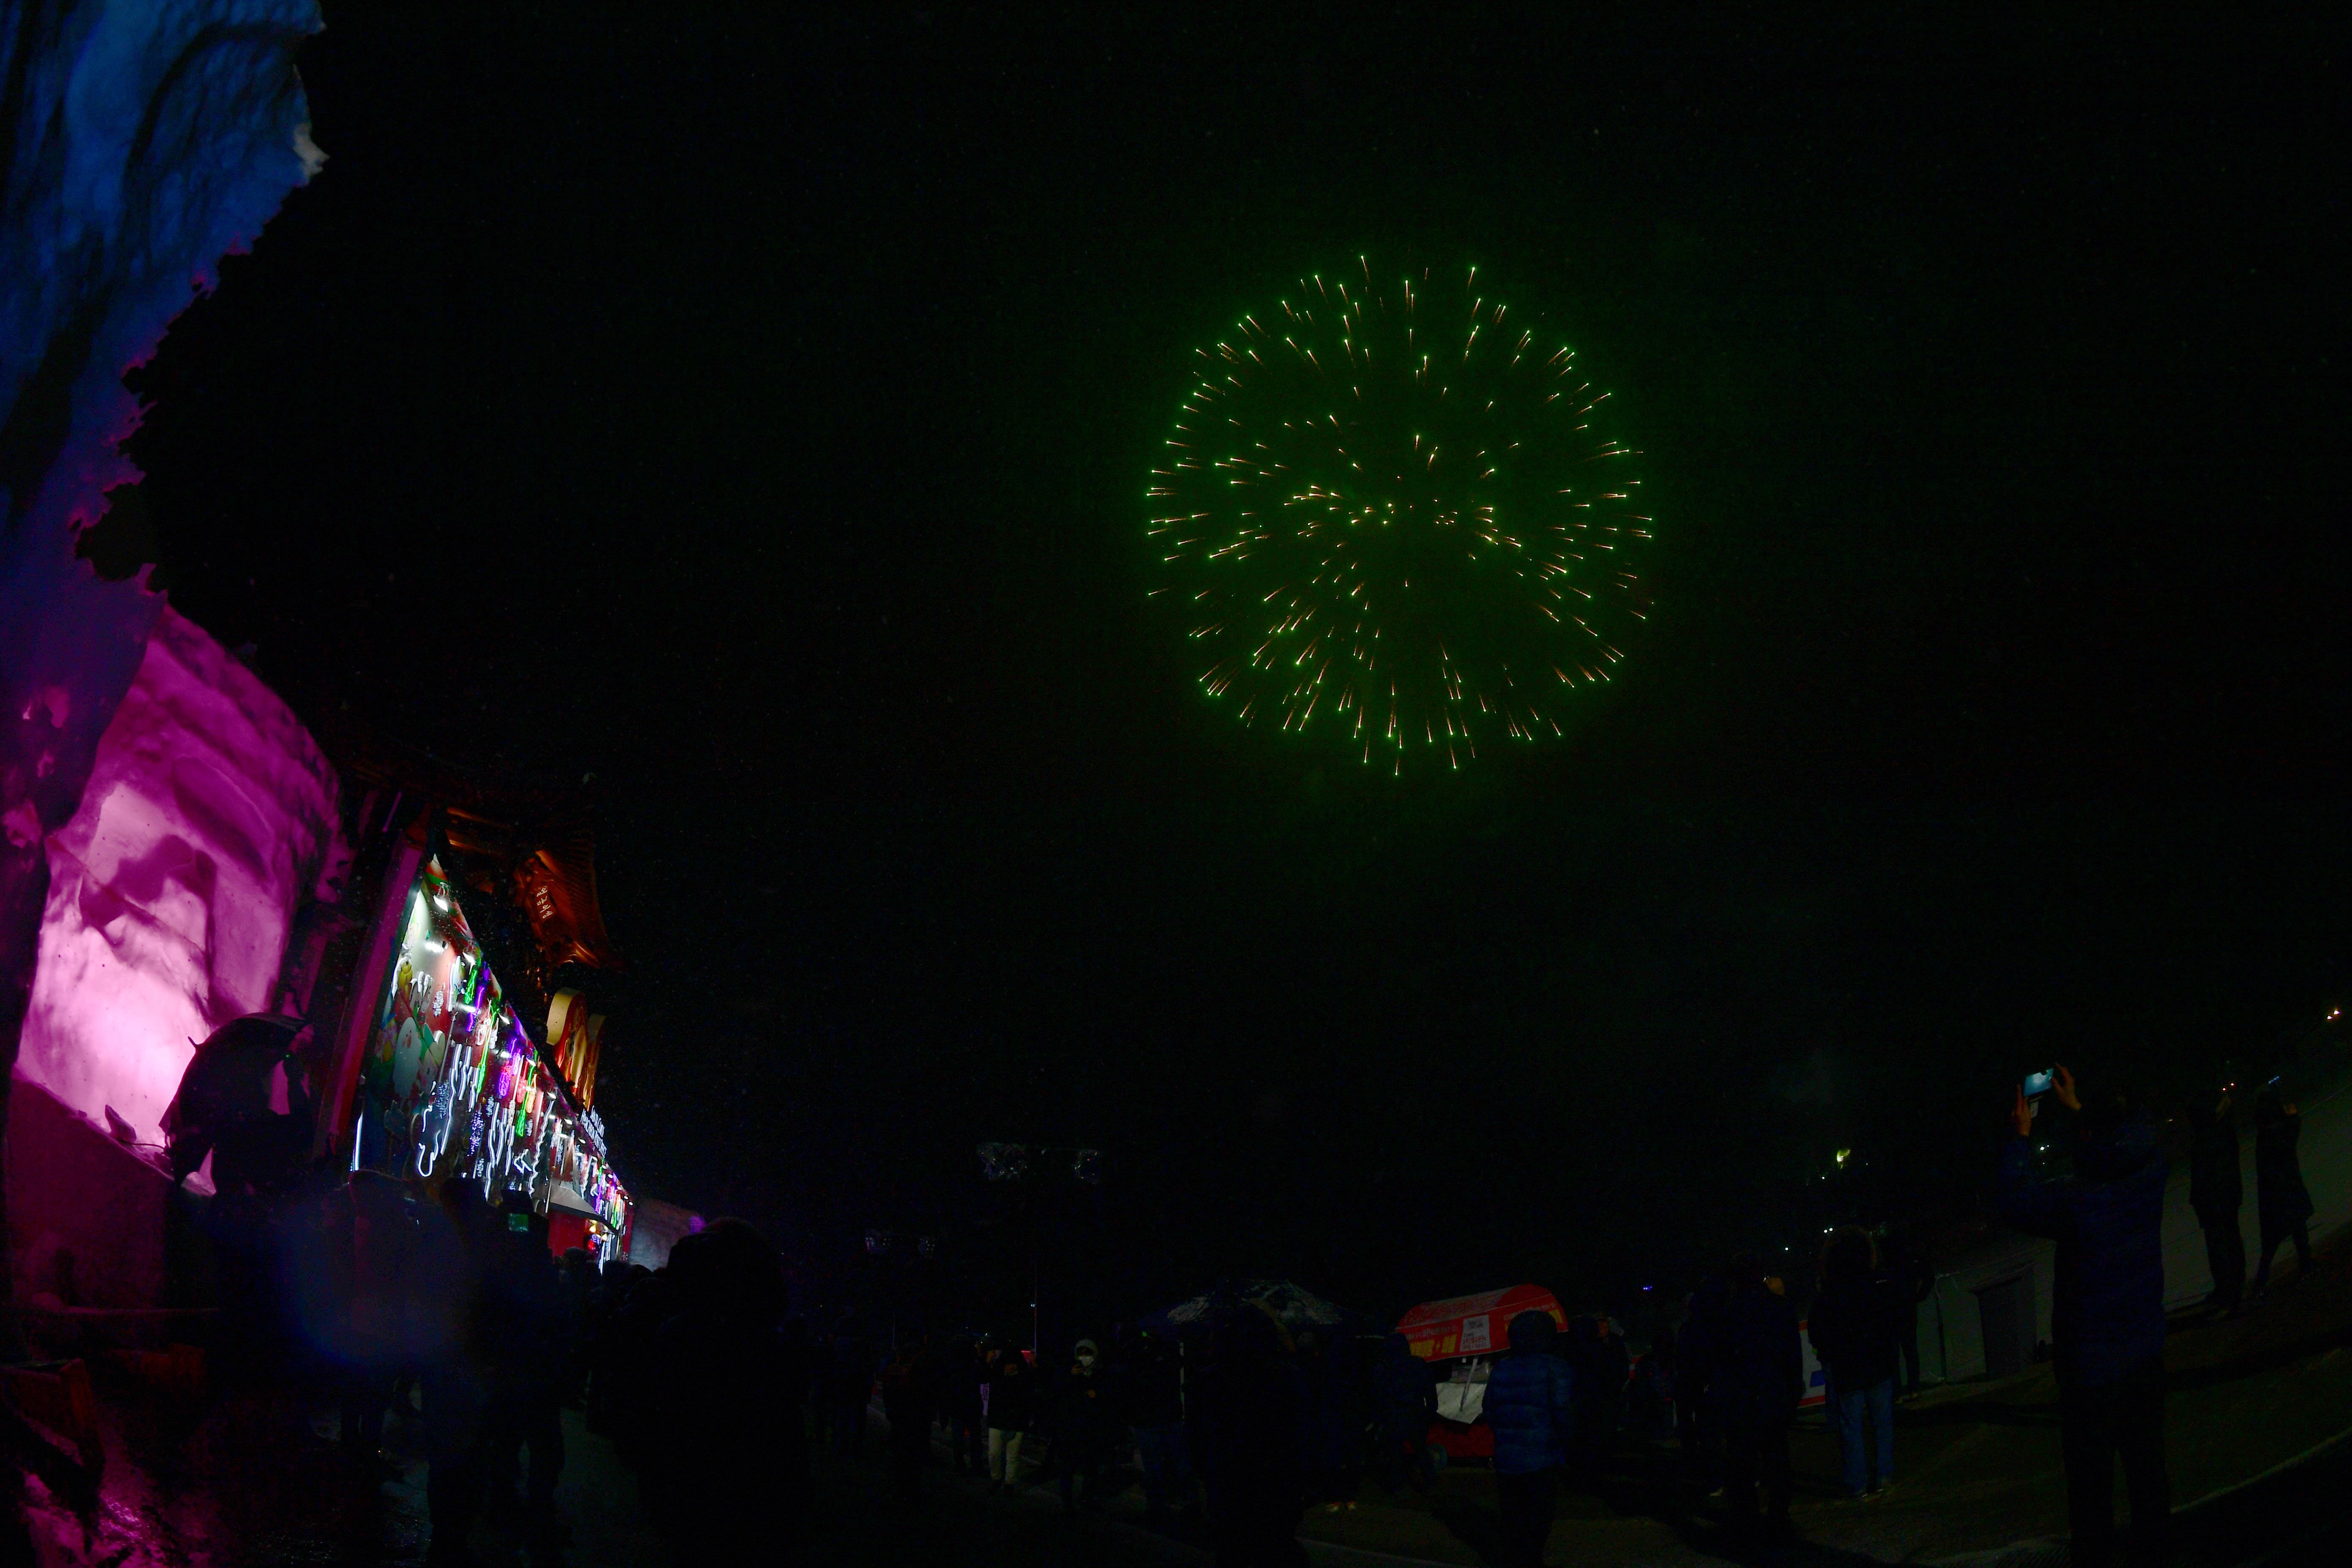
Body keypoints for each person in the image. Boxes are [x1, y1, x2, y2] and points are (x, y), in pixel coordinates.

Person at [1998, 1065, 2170, 1568]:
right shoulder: (2150, 1168)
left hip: (2090, 1368)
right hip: (2144, 1350)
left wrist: (2021, 1138)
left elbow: (2016, 1201)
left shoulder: (2079, 1201)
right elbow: (2121, 1138)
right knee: (2147, 1472)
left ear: (2092, 1134)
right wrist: (2079, 1111)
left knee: (2091, 1488)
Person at [1190, 1306, 1308, 1567]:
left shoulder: (1212, 1378)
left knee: (1236, 1550)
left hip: (1232, 1488)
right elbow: (1300, 1433)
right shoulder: (1285, 1375)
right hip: (1274, 1486)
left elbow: (1200, 1438)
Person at [1714, 1255, 1802, 1546]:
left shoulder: (1730, 1312)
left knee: (1746, 1463)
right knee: (1777, 1460)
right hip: (1773, 1397)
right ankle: (1779, 1516)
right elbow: (1792, 1356)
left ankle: (1750, 1517)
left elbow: (1724, 1363)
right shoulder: (1780, 1307)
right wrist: (1792, 1392)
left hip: (1745, 1401)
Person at [1808, 1228, 1900, 1499]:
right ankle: (1883, 1476)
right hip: (1877, 1365)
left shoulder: (1829, 1293)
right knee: (1882, 1423)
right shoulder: (1875, 1284)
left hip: (1848, 1370)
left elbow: (1817, 1332)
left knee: (1852, 1429)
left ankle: (1857, 1484)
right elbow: (1889, 1321)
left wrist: (1834, 1353)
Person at [1482, 1309, 1576, 1568]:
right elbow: (1563, 1412)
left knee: (1513, 1519)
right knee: (1538, 1519)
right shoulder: (1555, 1367)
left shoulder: (1502, 1368)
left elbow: (1489, 1410)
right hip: (1542, 1460)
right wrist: (1564, 1445)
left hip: (1506, 1460)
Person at [1119, 1327, 1193, 1514]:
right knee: (1171, 1462)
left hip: (1154, 1418)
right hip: (1163, 1417)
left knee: (1160, 1464)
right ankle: (1180, 1501)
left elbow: (1130, 1385)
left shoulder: (1143, 1356)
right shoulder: (1158, 1355)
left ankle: (1162, 1502)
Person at [2187, 1087, 2246, 1313]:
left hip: (2216, 1200)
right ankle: (2231, 1287)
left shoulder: (2208, 1138)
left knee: (2220, 1245)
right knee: (2230, 1240)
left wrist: (2200, 1200)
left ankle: (2228, 1292)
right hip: (2225, 1197)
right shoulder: (2221, 1131)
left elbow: (2206, 1175)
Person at [2251, 1087, 2314, 1295]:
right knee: (2293, 1229)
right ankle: (2263, 1281)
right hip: (2285, 1188)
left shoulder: (2265, 1130)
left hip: (2275, 1191)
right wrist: (2294, 1119)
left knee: (2277, 1236)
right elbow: (2288, 1143)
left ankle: (2262, 1282)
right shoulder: (2276, 1130)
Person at [1053, 1338, 1116, 1513]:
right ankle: (1067, 1501)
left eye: (1088, 1354)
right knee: (1068, 1467)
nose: (1085, 1357)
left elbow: (1110, 1398)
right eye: (1081, 1354)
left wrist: (1099, 1396)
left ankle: (1088, 1498)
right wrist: (1070, 1377)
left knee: (1091, 1467)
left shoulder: (1102, 1373)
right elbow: (1058, 1395)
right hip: (1071, 1429)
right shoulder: (1068, 1372)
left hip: (1092, 1430)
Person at [1370, 1333, 1437, 1495]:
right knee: (1420, 1450)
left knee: (1395, 1452)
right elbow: (1429, 1390)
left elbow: (1377, 1395)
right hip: (1415, 1414)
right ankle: (1428, 1483)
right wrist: (1431, 1410)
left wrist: (1379, 1417)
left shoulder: (1383, 1368)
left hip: (1394, 1415)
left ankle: (1397, 1486)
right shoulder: (1418, 1364)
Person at [880, 1338, 936, 1507]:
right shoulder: (923, 1371)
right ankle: (912, 1492)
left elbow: (888, 1395)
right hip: (917, 1421)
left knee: (899, 1456)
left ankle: (899, 1489)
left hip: (901, 1419)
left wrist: (892, 1412)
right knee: (914, 1458)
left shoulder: (894, 1371)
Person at [985, 1343, 1037, 1489]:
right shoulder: (997, 1375)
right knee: (994, 1454)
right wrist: (987, 1361)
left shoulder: (1024, 1377)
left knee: (1012, 1456)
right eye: (1008, 1364)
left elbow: (1037, 1381)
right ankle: (996, 1478)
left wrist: (1034, 1365)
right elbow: (982, 1375)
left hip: (1017, 1420)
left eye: (1014, 1364)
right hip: (997, 1419)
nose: (1011, 1367)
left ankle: (1009, 1483)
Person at [1893, 1236, 1937, 1396]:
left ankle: (1905, 1390)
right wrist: (1918, 1296)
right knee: (1906, 1350)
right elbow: (1928, 1276)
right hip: (1902, 1309)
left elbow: (1928, 1276)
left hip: (1900, 1310)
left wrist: (1919, 1296)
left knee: (1902, 1351)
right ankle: (1909, 1389)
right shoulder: (1909, 1258)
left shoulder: (1903, 1259)